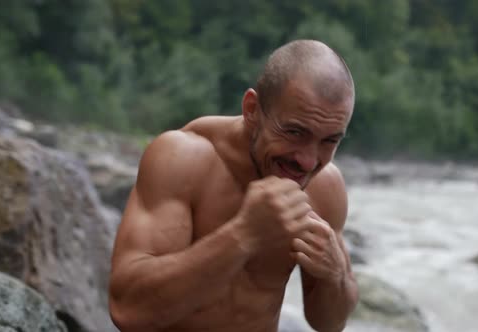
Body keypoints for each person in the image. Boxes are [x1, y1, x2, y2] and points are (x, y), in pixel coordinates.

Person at [108, 39, 359, 332]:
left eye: (330, 141)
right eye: (294, 132)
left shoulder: (324, 186)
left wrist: (334, 274)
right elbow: (128, 310)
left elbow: (329, 323)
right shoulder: (183, 158)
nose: (308, 161)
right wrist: (244, 234)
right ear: (252, 109)